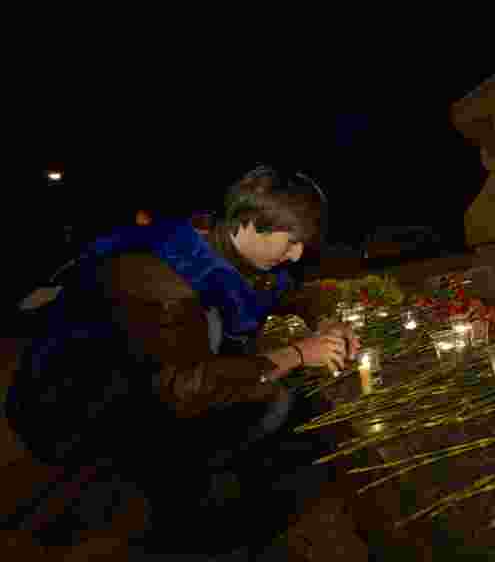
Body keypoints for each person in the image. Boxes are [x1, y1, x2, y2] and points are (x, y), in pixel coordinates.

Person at [5, 165, 358, 555]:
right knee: (269, 400)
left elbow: (284, 292)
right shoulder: (165, 279)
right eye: (291, 242)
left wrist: (322, 319)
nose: (298, 255)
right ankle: (179, 528)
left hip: (142, 383)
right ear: (250, 222)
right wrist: (298, 353)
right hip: (71, 407)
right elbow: (186, 387)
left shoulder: (225, 243)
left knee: (263, 391)